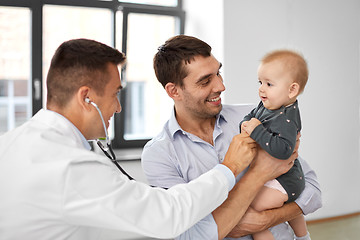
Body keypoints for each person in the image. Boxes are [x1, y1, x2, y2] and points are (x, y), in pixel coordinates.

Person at [0, 38, 297, 240]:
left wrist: (267, 217)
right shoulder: (68, 167)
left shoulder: (14, 143)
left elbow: (306, 184)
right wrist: (232, 168)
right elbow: (171, 217)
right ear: (86, 98)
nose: (117, 107)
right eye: (116, 94)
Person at [141, 35, 322, 240]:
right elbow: (189, 233)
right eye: (205, 81)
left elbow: (313, 190)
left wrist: (266, 219)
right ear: (174, 91)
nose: (220, 86)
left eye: (218, 73)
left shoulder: (254, 117)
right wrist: (259, 172)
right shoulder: (159, 155)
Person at [240, 50, 310, 240]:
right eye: (260, 82)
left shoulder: (286, 119)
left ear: (292, 90)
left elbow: (284, 151)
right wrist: (245, 123)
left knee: (253, 209)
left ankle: (301, 236)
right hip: (279, 176)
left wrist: (257, 131)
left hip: (286, 179)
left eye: (269, 84)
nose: (262, 89)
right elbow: (252, 116)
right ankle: (303, 236)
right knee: (286, 207)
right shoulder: (268, 104)